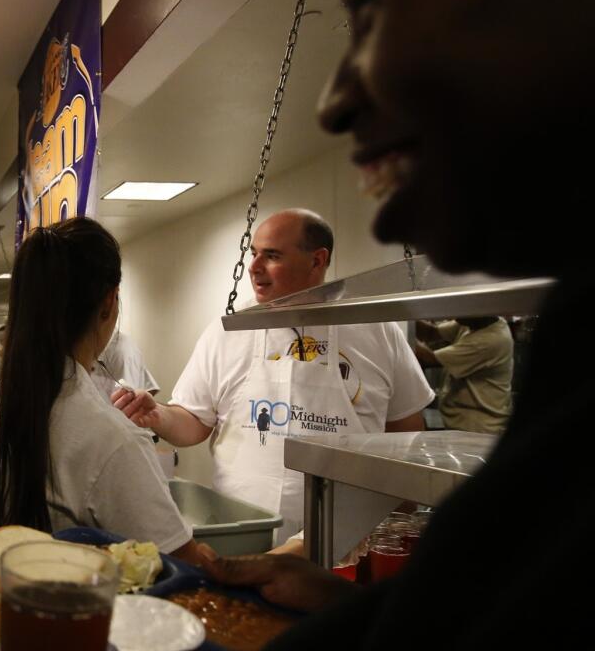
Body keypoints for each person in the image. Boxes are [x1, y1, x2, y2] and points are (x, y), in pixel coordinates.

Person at [0, 0, 594, 651]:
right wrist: (352, 609)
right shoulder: (568, 357)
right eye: (255, 255)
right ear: (106, 307)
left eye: (371, 7)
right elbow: (193, 424)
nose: (336, 100)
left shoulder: (400, 337)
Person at [112, 208, 433, 548]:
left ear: (317, 260)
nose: (254, 267)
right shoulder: (228, 331)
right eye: (253, 254)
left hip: (346, 540)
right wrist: (157, 414)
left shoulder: (376, 329)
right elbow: (194, 421)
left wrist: (403, 524)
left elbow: (406, 434)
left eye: (272, 255)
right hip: (243, 531)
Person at [0, 218, 200, 562]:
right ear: (109, 302)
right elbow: (181, 563)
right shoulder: (111, 438)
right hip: (82, 609)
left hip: (8, 592)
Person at [415, 317, 513, 433]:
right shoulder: (471, 321)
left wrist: (400, 336)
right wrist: (406, 315)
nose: (454, 315)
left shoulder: (490, 339)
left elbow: (429, 359)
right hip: (464, 422)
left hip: (479, 426)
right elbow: (431, 333)